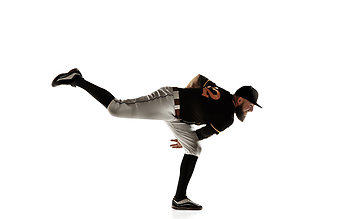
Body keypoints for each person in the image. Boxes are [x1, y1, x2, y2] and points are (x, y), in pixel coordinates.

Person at [52, 68, 262, 210]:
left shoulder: (223, 92)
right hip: (169, 103)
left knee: (194, 150)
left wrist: (189, 105)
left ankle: (179, 198)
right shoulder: (228, 117)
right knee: (117, 109)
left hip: (178, 113)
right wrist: (186, 122)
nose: (251, 109)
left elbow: (198, 79)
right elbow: (205, 132)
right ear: (241, 99)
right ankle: (77, 79)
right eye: (251, 105)